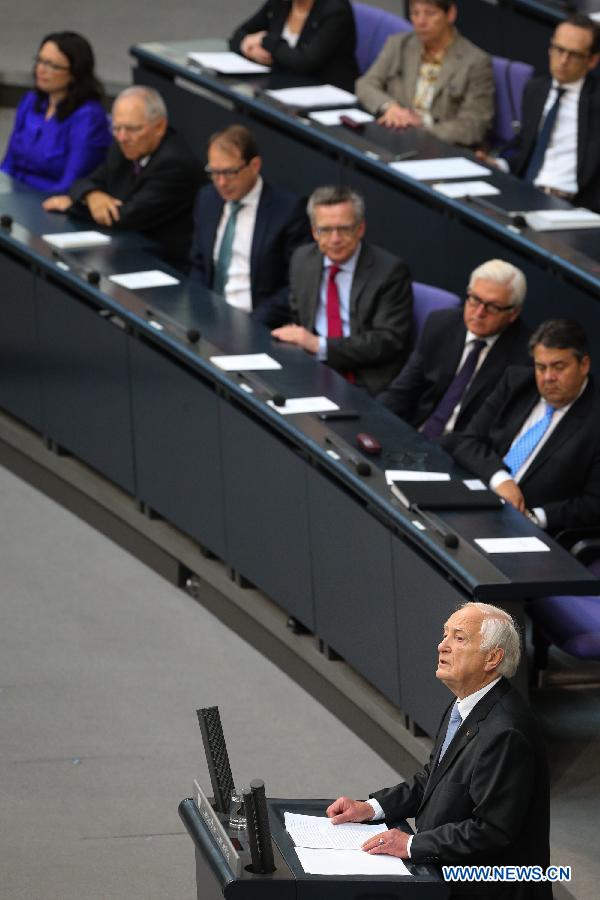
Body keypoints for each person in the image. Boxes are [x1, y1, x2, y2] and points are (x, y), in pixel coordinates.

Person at [327, 602, 552, 899]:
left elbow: (492, 830)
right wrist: (372, 808)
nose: (442, 646)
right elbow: (433, 779)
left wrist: (410, 846)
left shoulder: (505, 731)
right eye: (445, 635)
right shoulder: (464, 706)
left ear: (492, 658)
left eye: (459, 638)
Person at [450, 319, 600, 534]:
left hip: (530, 528)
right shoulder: (517, 382)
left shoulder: (594, 421)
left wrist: (534, 518)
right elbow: (468, 441)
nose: (548, 378)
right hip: (479, 495)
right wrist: (501, 479)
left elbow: (593, 505)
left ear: (584, 365)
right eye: (541, 367)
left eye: (559, 367)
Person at [43, 86, 203, 272]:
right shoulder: (124, 146)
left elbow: (126, 217)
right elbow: (85, 181)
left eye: (133, 129)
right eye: (116, 128)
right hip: (126, 249)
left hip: (163, 265)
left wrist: (72, 205)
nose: (122, 137)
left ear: (159, 126)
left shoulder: (175, 163)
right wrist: (92, 195)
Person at [272, 186, 413, 395]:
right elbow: (299, 315)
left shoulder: (390, 271)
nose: (335, 239)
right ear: (314, 232)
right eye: (325, 230)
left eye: (344, 229)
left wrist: (319, 345)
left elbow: (388, 341)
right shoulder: (302, 259)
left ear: (360, 228)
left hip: (364, 378)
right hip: (312, 368)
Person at [379, 260, 530, 439]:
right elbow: (401, 392)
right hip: (415, 433)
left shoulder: (524, 358)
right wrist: (371, 420)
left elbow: (495, 433)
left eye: (493, 307)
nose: (479, 313)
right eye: (474, 299)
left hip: (461, 452)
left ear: (513, 313)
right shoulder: (441, 324)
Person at [189, 125, 310, 328]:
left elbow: (297, 285)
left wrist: (252, 324)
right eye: (214, 172)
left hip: (259, 322)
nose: (221, 182)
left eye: (229, 172)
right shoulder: (207, 199)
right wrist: (201, 309)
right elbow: (199, 264)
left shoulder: (288, 210)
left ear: (254, 165)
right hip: (210, 319)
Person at [483, 14, 600, 212]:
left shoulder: (596, 101)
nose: (563, 60)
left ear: (592, 61)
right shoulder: (536, 89)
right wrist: (499, 164)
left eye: (574, 54)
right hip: (527, 194)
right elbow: (526, 146)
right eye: (559, 50)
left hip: (573, 205)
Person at [355, 1, 494, 147]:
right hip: (394, 134)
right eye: (415, 13)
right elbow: (365, 84)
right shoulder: (399, 44)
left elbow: (473, 125)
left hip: (438, 146)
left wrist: (421, 128)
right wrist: (391, 108)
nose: (421, 22)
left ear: (451, 14)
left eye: (430, 13)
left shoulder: (475, 62)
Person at [0, 32, 111, 194]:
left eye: (53, 66)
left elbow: (69, 185)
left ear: (75, 73)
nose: (41, 70)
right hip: (14, 194)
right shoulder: (31, 100)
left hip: (49, 203)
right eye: (40, 61)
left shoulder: (89, 118)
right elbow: (9, 162)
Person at [229, 0, 359, 92]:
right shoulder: (281, 3)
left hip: (322, 90)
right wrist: (249, 49)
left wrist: (265, 40)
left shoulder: (336, 10)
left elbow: (304, 63)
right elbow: (239, 35)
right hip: (281, 84)